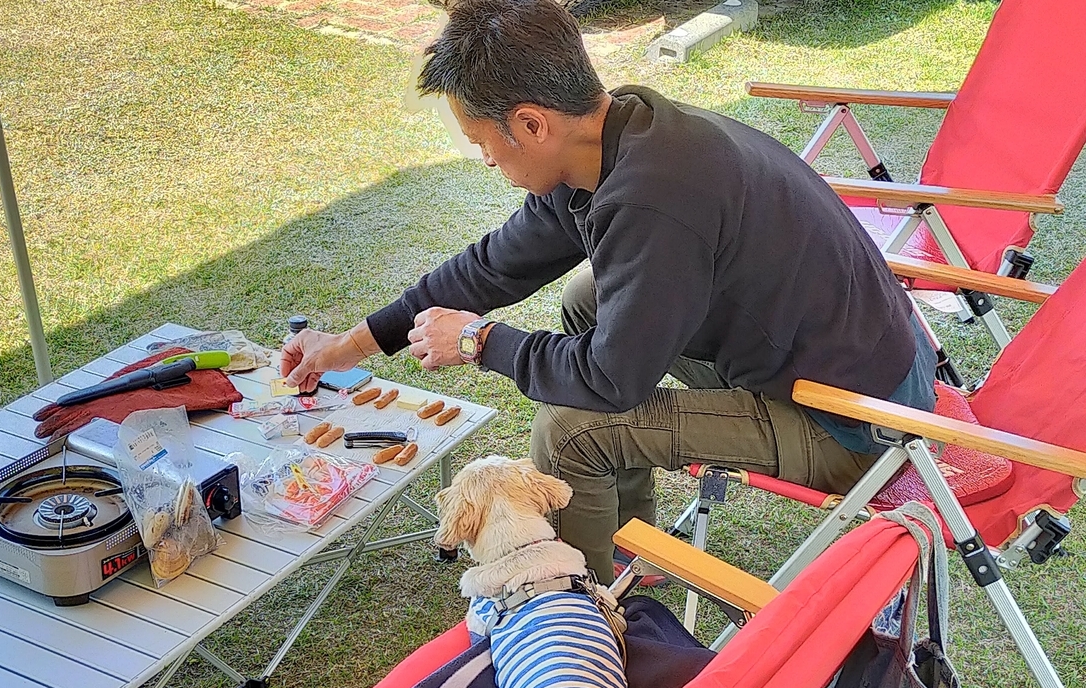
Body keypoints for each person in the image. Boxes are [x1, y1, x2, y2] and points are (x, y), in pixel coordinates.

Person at [279, 0, 937, 580]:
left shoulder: (656, 200)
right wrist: (348, 346)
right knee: (586, 299)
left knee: (571, 429)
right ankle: (632, 546)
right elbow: (491, 267)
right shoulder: (616, 133)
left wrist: (482, 341)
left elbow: (608, 382)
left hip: (854, 420)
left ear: (533, 124)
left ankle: (582, 607)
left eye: (485, 142)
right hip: (834, 358)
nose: (486, 159)